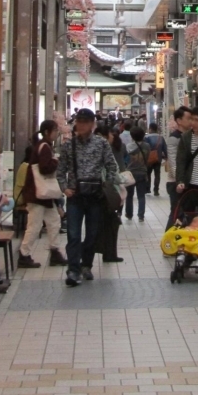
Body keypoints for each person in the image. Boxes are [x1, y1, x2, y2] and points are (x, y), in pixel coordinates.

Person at [58, 108, 122, 286]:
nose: (82, 125)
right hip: (75, 196)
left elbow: (111, 166)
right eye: (79, 121)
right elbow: (60, 170)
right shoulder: (68, 145)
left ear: (93, 124)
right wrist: (64, 188)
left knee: (93, 233)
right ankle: (73, 269)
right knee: (73, 234)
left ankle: (86, 264)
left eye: (86, 122)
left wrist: (107, 186)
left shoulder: (101, 143)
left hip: (95, 196)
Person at [19, 120, 66, 268]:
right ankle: (24, 254)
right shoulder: (44, 147)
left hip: (42, 194)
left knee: (53, 222)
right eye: (55, 130)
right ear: (47, 132)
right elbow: (44, 168)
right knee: (35, 225)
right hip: (37, 193)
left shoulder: (42, 146)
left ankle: (55, 251)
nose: (57, 133)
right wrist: (56, 161)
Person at [95, 122, 124, 263]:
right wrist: (124, 179)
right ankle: (109, 253)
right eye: (110, 134)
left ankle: (108, 252)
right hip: (108, 193)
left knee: (106, 224)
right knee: (111, 224)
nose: (113, 136)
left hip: (102, 192)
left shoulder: (98, 150)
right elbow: (113, 174)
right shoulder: (104, 151)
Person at [165, 107, 192, 226]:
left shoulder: (192, 136)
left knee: (188, 213)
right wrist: (180, 180)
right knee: (176, 213)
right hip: (176, 182)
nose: (191, 121)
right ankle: (169, 241)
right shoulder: (174, 138)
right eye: (189, 118)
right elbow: (173, 161)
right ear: (179, 121)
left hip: (189, 181)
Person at [124, 126, 151, 221]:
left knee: (129, 195)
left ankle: (129, 214)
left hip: (130, 173)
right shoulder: (147, 146)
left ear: (132, 136)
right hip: (142, 172)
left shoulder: (128, 146)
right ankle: (141, 216)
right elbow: (147, 158)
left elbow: (125, 160)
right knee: (141, 195)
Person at [145, 122, 167, 195]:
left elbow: (144, 148)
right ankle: (156, 190)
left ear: (150, 129)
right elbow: (165, 149)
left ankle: (147, 188)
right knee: (157, 174)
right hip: (158, 158)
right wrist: (166, 158)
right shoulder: (161, 137)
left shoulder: (146, 137)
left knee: (148, 173)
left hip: (149, 159)